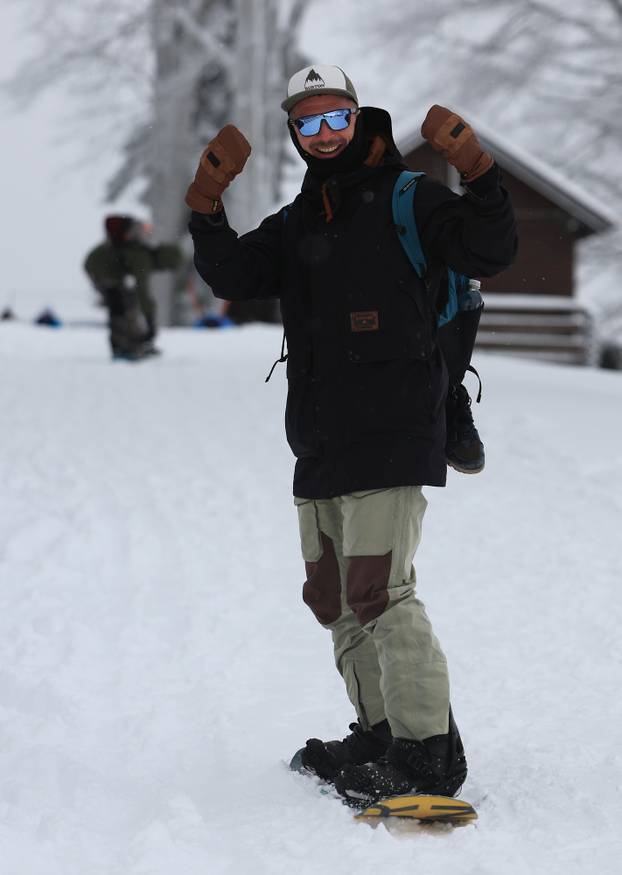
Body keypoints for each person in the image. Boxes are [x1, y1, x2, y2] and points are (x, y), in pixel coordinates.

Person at [186, 65, 517, 806]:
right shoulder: (301, 217)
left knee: (381, 591)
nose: (324, 133)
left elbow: (489, 250)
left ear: (359, 117)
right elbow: (234, 275)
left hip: (394, 426)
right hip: (320, 436)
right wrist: (206, 205)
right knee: (333, 597)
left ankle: (428, 753)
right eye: (308, 123)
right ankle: (380, 732)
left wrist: (478, 171)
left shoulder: (410, 197)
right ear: (296, 134)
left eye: (336, 117)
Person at [84, 215, 182, 360]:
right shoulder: (142, 258)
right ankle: (122, 347)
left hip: (102, 267)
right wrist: (150, 322)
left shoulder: (142, 250)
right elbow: (143, 292)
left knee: (126, 302)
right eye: (168, 266)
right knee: (120, 306)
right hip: (100, 270)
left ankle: (134, 344)